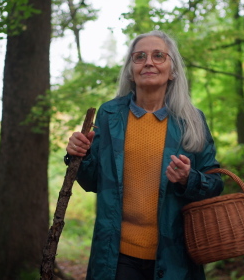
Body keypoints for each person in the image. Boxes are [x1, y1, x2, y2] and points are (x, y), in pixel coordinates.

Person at [65, 30, 223, 280]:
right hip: (117, 256)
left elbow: (215, 184)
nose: (148, 62)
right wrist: (79, 155)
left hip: (175, 257)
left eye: (158, 55)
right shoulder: (110, 115)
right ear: (131, 70)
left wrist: (187, 178)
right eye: (139, 57)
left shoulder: (191, 121)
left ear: (172, 70)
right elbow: (92, 181)